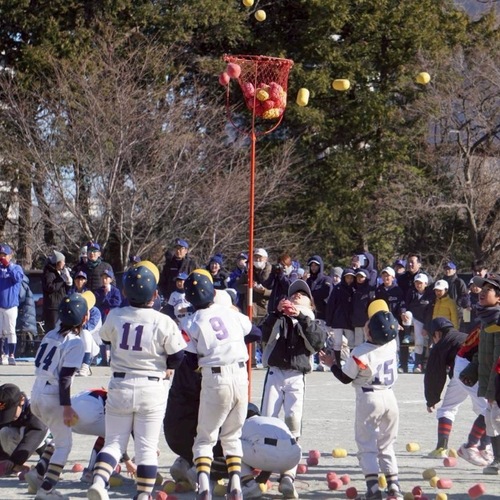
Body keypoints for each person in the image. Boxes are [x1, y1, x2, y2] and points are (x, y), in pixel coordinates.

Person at [86, 261, 186, 500]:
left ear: (124, 292)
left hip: (120, 383)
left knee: (113, 443)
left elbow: (106, 339)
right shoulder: (163, 320)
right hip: (151, 385)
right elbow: (178, 355)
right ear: (155, 294)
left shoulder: (116, 315)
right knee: (147, 448)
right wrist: (166, 365)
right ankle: (143, 495)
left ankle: (99, 482)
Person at [319, 301, 403, 500]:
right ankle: (394, 486)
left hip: (369, 397)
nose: (366, 324)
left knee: (367, 445)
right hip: (390, 397)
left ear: (370, 333)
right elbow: (386, 332)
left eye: (369, 324)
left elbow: (345, 378)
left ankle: (373, 488)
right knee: (386, 444)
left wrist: (331, 364)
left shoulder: (360, 351)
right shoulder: (392, 345)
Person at [182, 270, 252, 500]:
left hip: (215, 377)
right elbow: (253, 331)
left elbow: (190, 360)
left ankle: (204, 485)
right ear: (213, 292)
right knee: (232, 435)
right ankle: (236, 485)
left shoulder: (191, 321)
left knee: (205, 437)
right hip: (240, 375)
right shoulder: (230, 312)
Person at [260, 279, 327, 498]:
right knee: (267, 420)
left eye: (303, 294)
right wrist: (276, 313)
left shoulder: (312, 320)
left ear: (310, 302)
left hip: (297, 376)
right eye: (294, 293)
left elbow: (318, 342)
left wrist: (301, 317)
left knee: (293, 423)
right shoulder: (279, 317)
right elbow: (263, 335)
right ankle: (263, 468)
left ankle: (288, 474)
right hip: (275, 373)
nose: (297, 295)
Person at [26, 293, 90, 499]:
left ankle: (38, 474)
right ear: (85, 318)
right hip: (52, 395)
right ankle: (46, 490)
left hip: (36, 391)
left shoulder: (51, 334)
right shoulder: (75, 342)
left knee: (58, 435)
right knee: (64, 445)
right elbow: (65, 378)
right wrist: (67, 406)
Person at [424, 318, 492, 464]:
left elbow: (433, 375)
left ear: (437, 334)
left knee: (450, 408)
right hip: (470, 371)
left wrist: (431, 399)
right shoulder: (462, 335)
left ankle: (442, 448)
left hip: (464, 371)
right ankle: (481, 447)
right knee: (488, 409)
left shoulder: (440, 345)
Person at [459, 273, 500, 475]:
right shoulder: (486, 318)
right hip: (491, 378)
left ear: (499, 297)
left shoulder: (498, 320)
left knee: (496, 418)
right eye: (481, 289)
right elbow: (485, 351)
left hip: (497, 379)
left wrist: (493, 388)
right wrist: (473, 368)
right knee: (492, 419)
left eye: (488, 290)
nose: (482, 293)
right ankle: (497, 460)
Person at [0, 383, 48, 478]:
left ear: (22, 400)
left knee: (27, 430)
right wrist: (4, 459)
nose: (9, 417)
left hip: (48, 440)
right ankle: (14, 465)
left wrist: (15, 461)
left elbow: (37, 431)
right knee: (4, 432)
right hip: (22, 443)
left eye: (11, 411)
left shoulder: (35, 408)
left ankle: (47, 461)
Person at [403, 273, 434, 373]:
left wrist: (426, 327)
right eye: (416, 282)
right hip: (412, 318)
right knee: (407, 313)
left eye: (420, 283)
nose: (418, 285)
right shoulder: (411, 292)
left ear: (426, 284)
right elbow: (405, 304)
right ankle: (407, 335)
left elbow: (430, 313)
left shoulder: (430, 295)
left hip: (422, 321)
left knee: (419, 342)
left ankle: (418, 364)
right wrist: (403, 312)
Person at [0, 243, 25, 365]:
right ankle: (1, 354)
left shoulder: (16, 268)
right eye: (1, 255)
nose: (2, 257)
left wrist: (8, 266)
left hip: (11, 305)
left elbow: (18, 278)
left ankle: (11, 354)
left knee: (11, 330)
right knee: (0, 331)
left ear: (10, 256)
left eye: (4, 255)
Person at [325, 268, 355, 365]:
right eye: (347, 277)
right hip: (337, 319)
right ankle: (338, 363)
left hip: (349, 320)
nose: (349, 279)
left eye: (351, 277)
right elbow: (331, 305)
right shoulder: (337, 288)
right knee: (337, 342)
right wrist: (329, 321)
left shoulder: (355, 289)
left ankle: (352, 362)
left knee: (351, 342)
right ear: (344, 278)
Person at [42, 250, 73, 332]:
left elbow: (63, 289)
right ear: (58, 262)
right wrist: (61, 279)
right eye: (63, 261)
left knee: (60, 329)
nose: (64, 263)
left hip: (60, 304)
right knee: (52, 329)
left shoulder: (59, 272)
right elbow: (50, 287)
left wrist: (68, 282)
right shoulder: (49, 273)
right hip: (52, 307)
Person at [351, 269, 375, 350]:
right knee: (357, 344)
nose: (359, 278)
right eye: (358, 276)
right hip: (357, 322)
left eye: (362, 277)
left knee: (367, 343)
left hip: (367, 322)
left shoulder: (370, 290)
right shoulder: (354, 290)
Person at [305, 255, 332, 323]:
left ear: (320, 266)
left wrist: (311, 295)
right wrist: (304, 280)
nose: (313, 267)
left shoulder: (326, 279)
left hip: (323, 314)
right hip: (309, 314)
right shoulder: (307, 280)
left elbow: (326, 294)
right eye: (312, 265)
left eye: (315, 265)